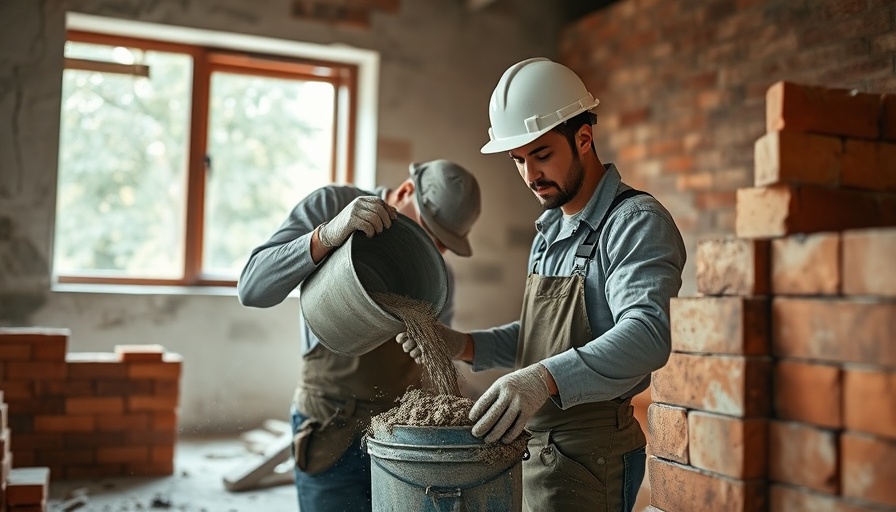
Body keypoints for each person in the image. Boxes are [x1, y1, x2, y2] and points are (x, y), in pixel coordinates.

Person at [398, 57, 686, 511]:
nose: (531, 175)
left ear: (584, 139)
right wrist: (459, 343)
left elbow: (650, 334)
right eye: (518, 160)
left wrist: (543, 378)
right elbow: (537, 339)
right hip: (534, 449)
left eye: (542, 155)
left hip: (592, 458)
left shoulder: (633, 223)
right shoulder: (549, 231)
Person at [237, 159, 481, 511]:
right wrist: (325, 236)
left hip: (399, 439)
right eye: (429, 232)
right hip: (329, 429)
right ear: (404, 192)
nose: (432, 250)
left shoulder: (436, 281)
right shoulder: (331, 205)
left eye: (443, 246)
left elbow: (435, 362)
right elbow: (252, 288)